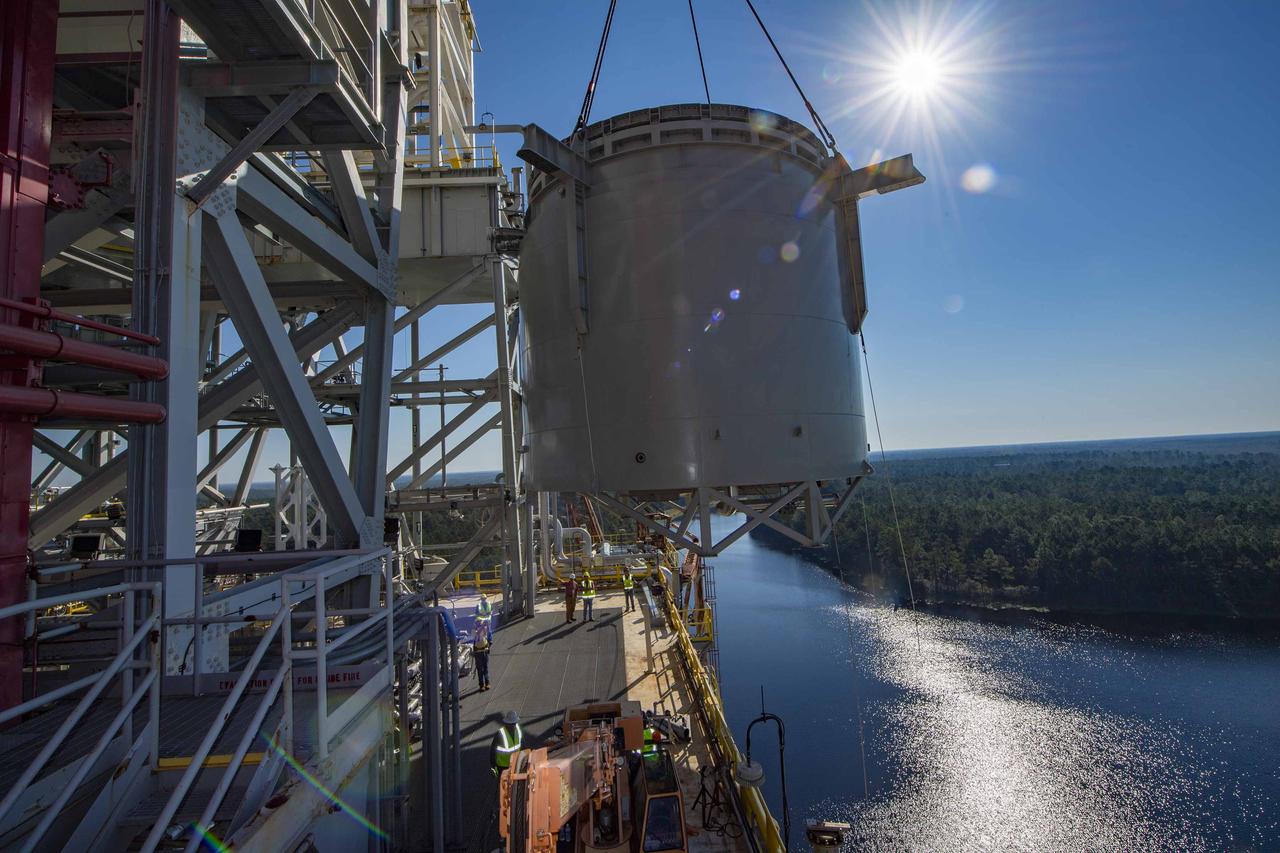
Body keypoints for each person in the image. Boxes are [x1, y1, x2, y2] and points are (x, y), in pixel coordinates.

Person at [491, 710, 522, 776]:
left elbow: (522, 744)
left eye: (514, 723)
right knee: (503, 784)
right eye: (512, 723)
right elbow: (492, 751)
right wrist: (493, 767)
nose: (513, 725)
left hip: (515, 763)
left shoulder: (518, 730)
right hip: (503, 766)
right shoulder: (500, 734)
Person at [473, 623, 491, 692]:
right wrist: (481, 627)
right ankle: (481, 685)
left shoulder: (484, 628)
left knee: (485, 667)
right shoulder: (473, 630)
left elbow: (486, 633)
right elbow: (476, 635)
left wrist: (485, 626)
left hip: (484, 650)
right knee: (480, 669)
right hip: (478, 652)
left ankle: (487, 682)